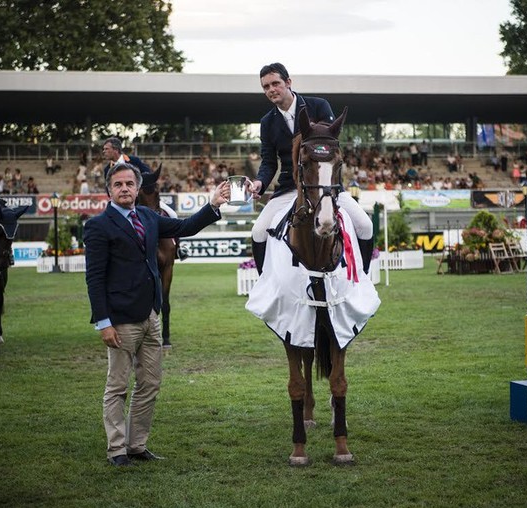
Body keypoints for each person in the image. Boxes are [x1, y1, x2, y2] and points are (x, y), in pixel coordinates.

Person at [83, 162, 230, 467]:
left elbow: (185, 227)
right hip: (121, 320)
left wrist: (213, 205)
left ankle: (137, 445)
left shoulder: (149, 217)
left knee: (150, 384)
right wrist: (103, 321)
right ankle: (117, 449)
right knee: (118, 386)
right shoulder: (98, 226)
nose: (125, 188)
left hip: (151, 316)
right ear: (109, 190)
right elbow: (94, 278)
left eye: (129, 184)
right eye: (118, 184)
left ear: (137, 189)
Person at [246, 62, 374, 275]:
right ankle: (264, 282)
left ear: (288, 82)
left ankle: (363, 277)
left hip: (326, 186)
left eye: (275, 83)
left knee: (365, 225)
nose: (271, 90)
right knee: (258, 231)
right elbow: (269, 161)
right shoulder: (267, 122)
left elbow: (331, 148)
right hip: (289, 188)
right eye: (266, 87)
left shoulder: (319, 106)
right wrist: (260, 182)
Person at [101, 137, 189, 260]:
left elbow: (148, 175)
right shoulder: (107, 169)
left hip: (142, 198)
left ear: (115, 150)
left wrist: (139, 187)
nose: (103, 151)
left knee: (172, 213)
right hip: (123, 202)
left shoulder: (133, 161)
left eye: (106, 149)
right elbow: (108, 189)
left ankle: (179, 248)